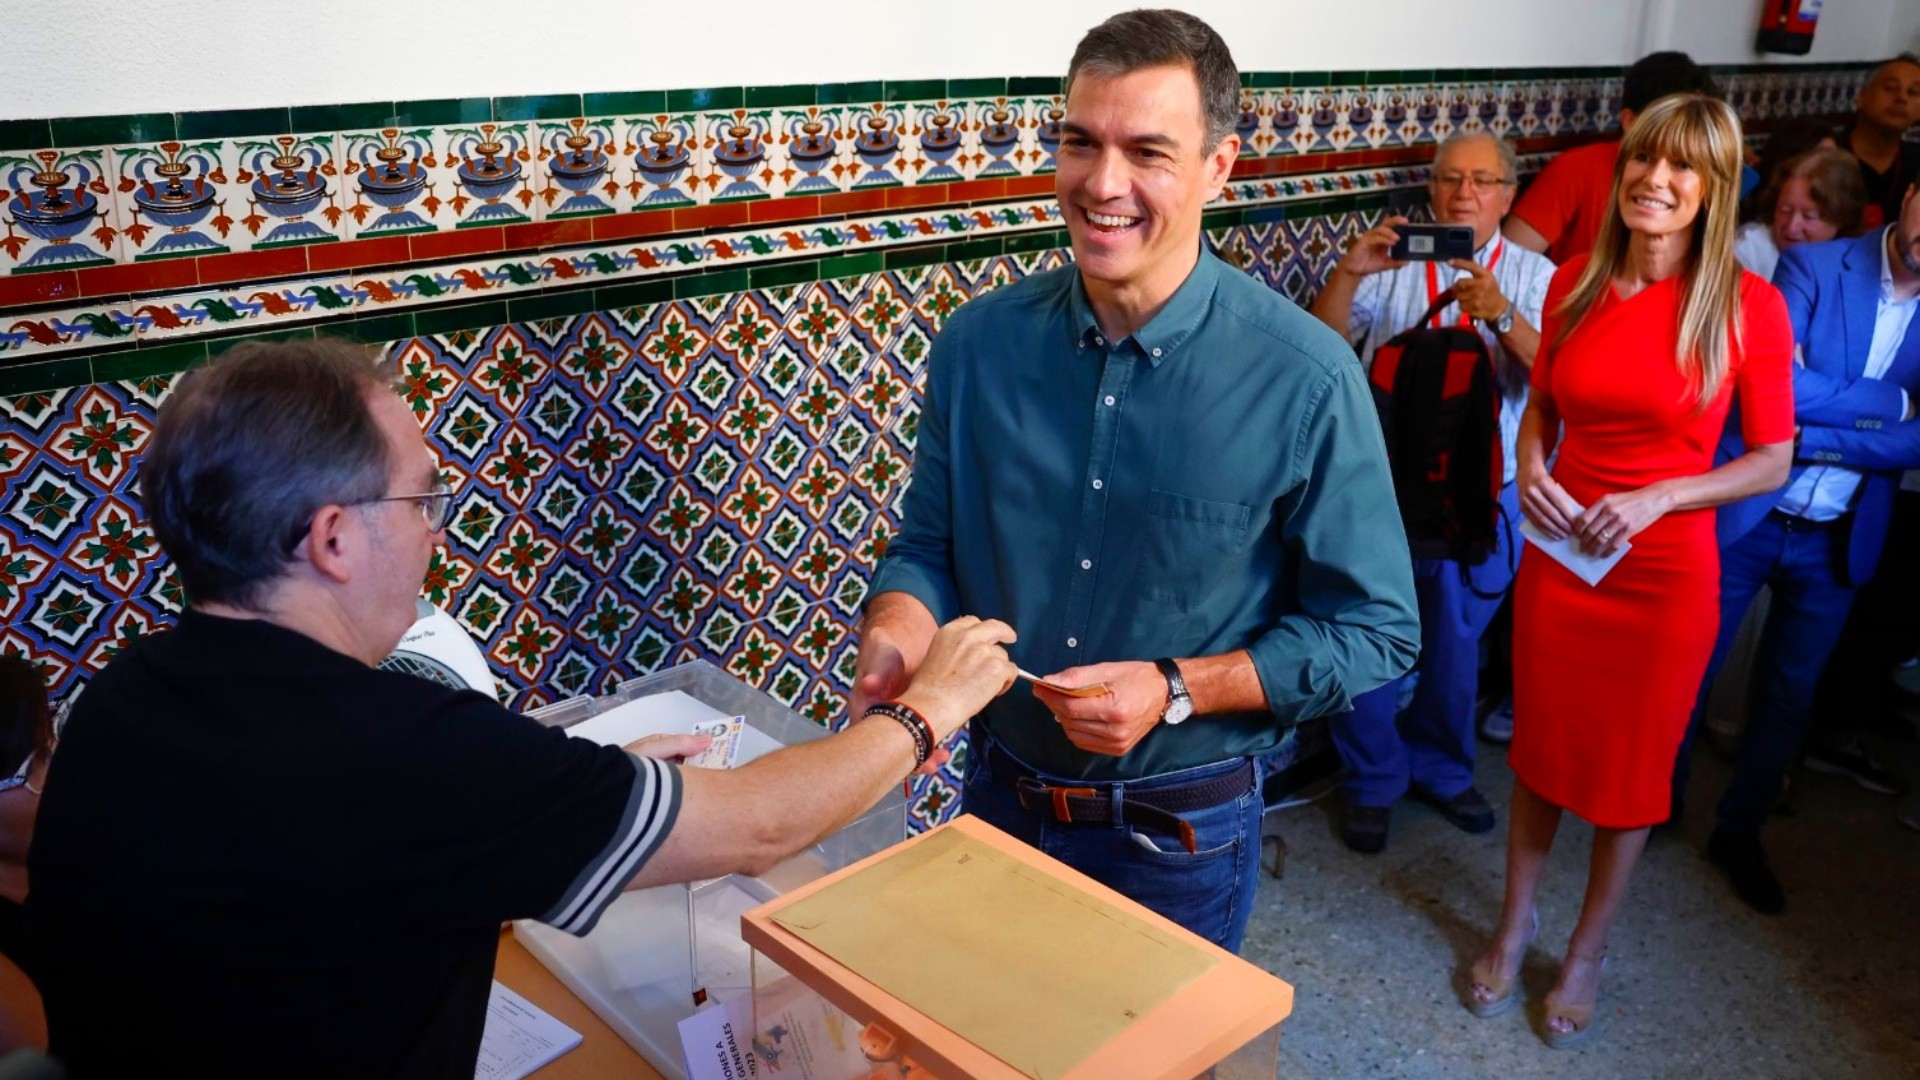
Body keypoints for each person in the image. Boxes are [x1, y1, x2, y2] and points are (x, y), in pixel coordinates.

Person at [23, 338, 1020, 1079]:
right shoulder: (406, 752)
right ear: (332, 539)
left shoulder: (120, 699)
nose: (431, 541)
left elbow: (311, 878)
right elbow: (759, 826)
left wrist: (562, 800)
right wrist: (928, 711)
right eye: (420, 504)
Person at [855, 8, 1419, 952]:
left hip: (1176, 834)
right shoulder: (978, 346)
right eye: (1081, 142)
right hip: (996, 790)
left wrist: (1178, 687)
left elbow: (1377, 630)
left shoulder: (1307, 379)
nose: (1103, 184)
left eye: (1148, 151)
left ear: (1219, 166)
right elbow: (927, 548)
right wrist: (895, 641)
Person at [1467, 94, 1794, 1046]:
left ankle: (1587, 951)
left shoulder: (1748, 306)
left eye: (1683, 167)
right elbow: (1543, 407)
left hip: (1662, 574)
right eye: (1645, 160)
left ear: (1715, 189)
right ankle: (1514, 922)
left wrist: (1663, 495)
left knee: (1630, 773)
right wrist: (1531, 462)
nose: (1657, 181)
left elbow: (1772, 456)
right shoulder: (1572, 281)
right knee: (1539, 754)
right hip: (1564, 560)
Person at [1674, 175, 1920, 915]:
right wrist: (1889, 407)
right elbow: (1773, 384)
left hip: (1839, 538)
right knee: (1690, 668)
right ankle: (1652, 809)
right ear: (1909, 195)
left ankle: (1739, 833)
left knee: (1787, 697)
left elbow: (1916, 440)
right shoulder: (1816, 265)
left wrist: (1821, 436)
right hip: (1751, 513)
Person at [1309, 131, 1556, 853]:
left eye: (1482, 180)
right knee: (1364, 633)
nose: (1463, 193)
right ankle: (1370, 780)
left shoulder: (1539, 275)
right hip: (1378, 488)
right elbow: (1322, 357)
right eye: (1450, 179)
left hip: (1480, 492)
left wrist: (1501, 314)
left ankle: (1443, 772)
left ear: (1509, 196)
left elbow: (1559, 380)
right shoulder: (1389, 260)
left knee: (1455, 641)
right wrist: (1351, 274)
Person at [1505, 51, 1720, 265]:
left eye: (1682, 165)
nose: (1656, 179)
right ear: (1629, 121)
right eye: (1664, 124)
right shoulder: (1577, 169)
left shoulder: (1704, 178)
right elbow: (1507, 267)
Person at [1733, 147, 1869, 280]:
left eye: (1809, 216)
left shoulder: (1860, 259)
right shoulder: (1746, 253)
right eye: (1785, 210)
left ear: (1841, 218)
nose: (1792, 227)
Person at [1840, 54, 1920, 232]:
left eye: (1913, 92)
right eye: (1891, 88)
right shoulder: (1827, 153)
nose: (1901, 98)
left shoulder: (1916, 162)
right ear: (1861, 97)